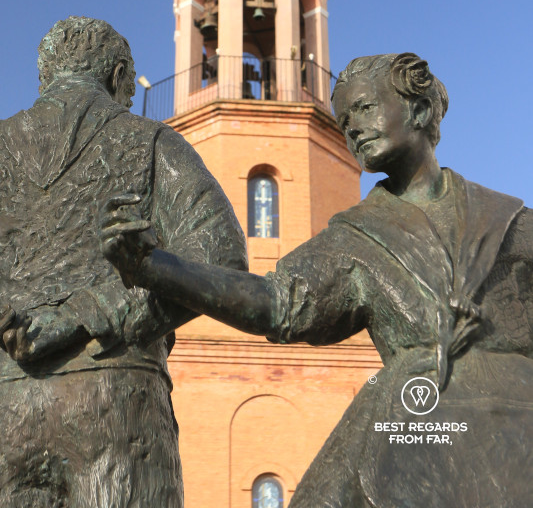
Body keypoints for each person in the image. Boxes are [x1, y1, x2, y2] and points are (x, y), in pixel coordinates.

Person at [101, 52, 533, 508]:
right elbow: (277, 302)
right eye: (344, 119)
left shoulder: (511, 221)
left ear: (419, 110)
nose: (352, 128)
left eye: (365, 108)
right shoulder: (357, 237)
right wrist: (154, 267)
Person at [0, 17, 247, 508]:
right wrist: (82, 315)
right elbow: (222, 255)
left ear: (47, 77)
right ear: (117, 77)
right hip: (117, 402)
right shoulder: (151, 141)